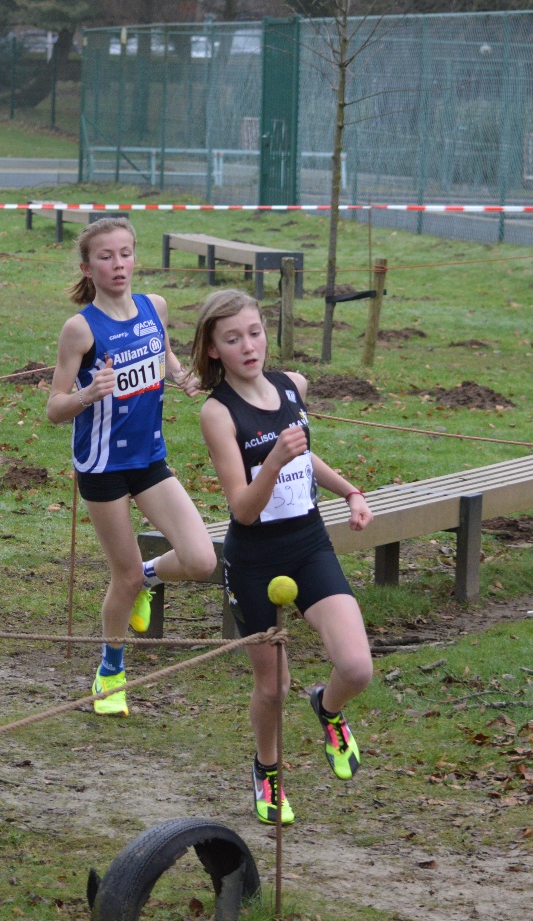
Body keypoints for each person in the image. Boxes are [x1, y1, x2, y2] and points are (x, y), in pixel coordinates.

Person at [192, 289, 374, 826]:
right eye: (232, 339)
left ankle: (329, 708)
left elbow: (303, 449)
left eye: (255, 332)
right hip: (254, 557)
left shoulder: (292, 386)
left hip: (308, 542)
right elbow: (242, 511)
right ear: (212, 350)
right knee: (272, 685)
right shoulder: (216, 413)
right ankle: (267, 771)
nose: (249, 346)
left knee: (356, 667)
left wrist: (349, 491)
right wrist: (271, 461)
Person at [44, 217, 217, 719]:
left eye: (125, 254)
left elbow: (161, 354)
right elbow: (54, 408)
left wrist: (183, 378)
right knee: (121, 578)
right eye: (105, 257)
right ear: (88, 267)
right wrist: (85, 395)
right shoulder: (80, 329)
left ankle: (148, 574)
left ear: (135, 257)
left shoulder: (154, 307)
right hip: (102, 468)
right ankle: (111, 671)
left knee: (202, 560)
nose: (117, 265)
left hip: (149, 458)